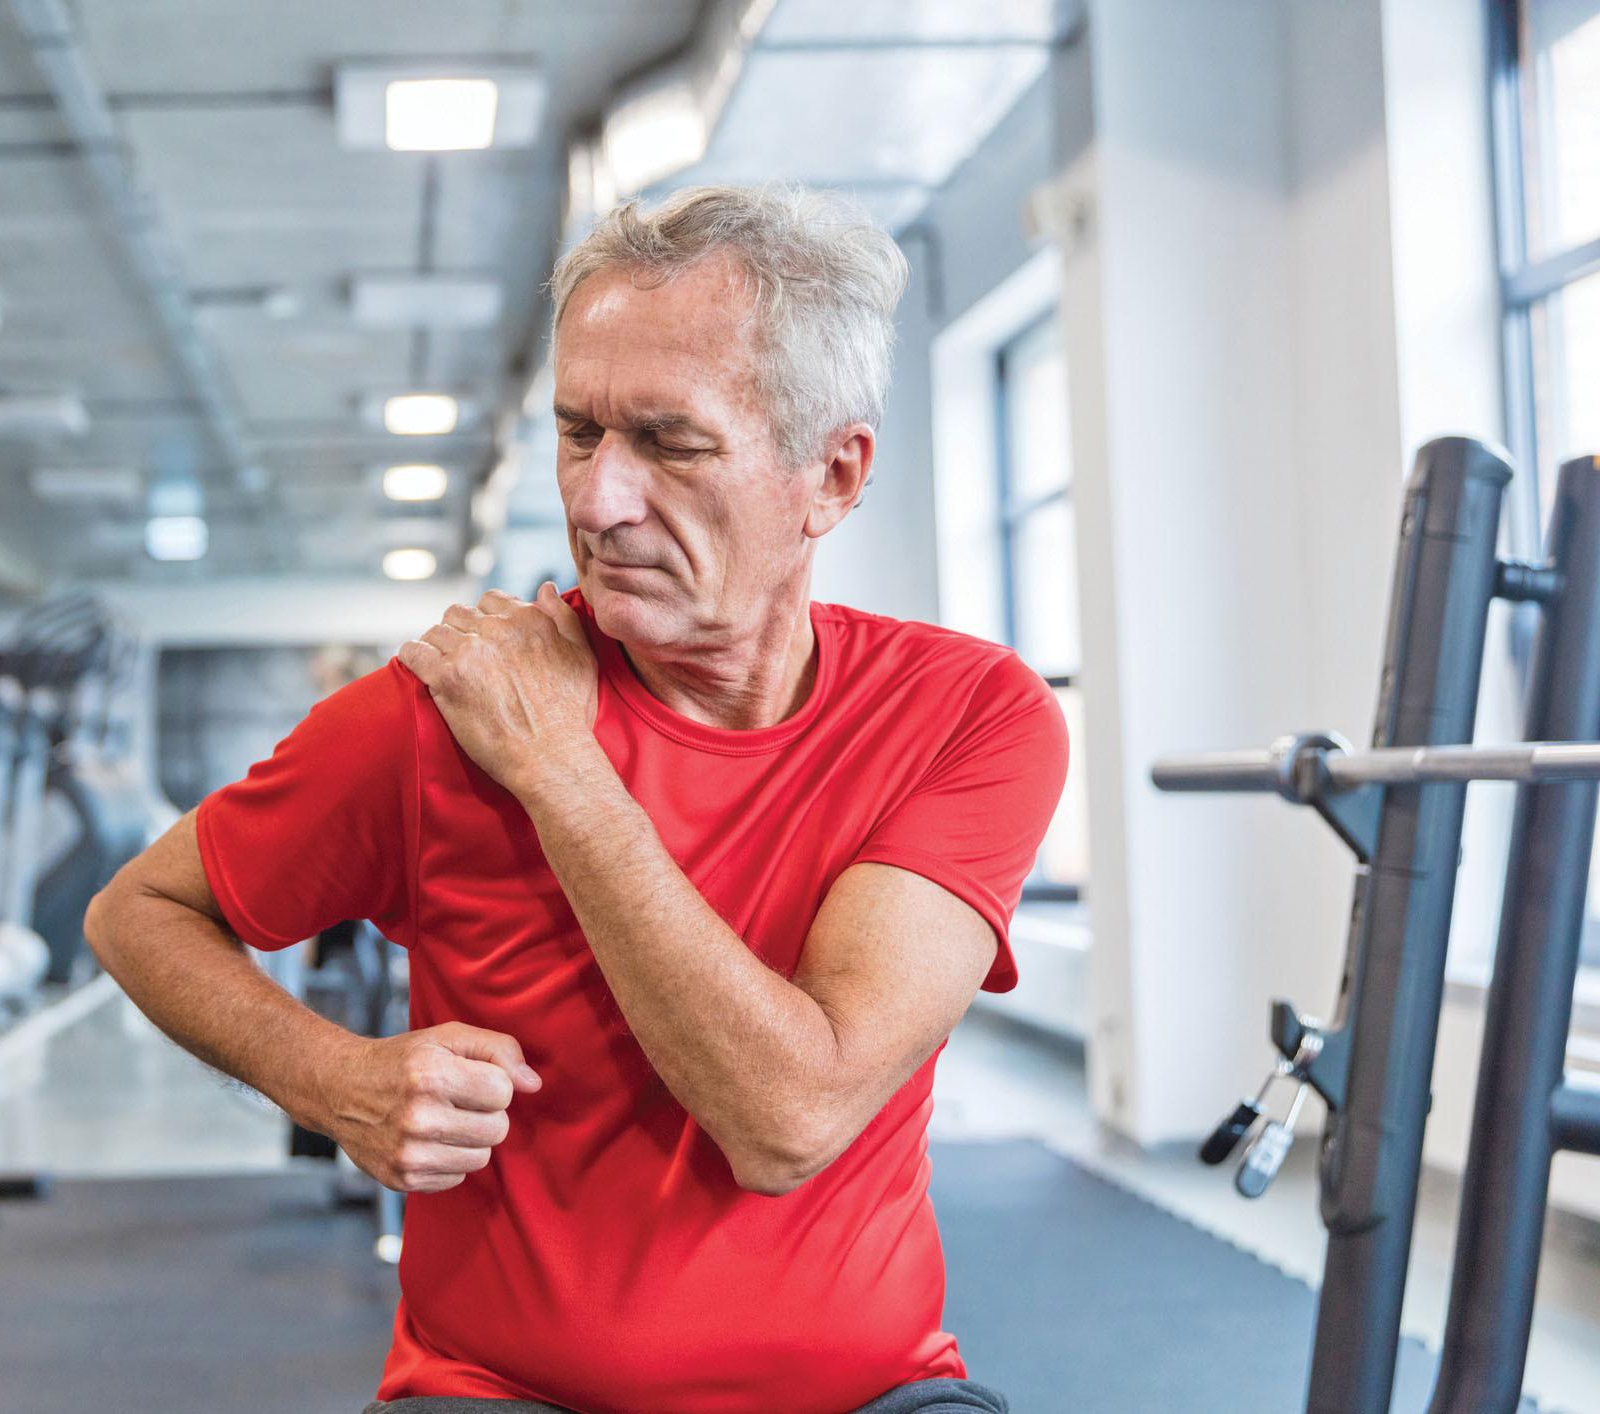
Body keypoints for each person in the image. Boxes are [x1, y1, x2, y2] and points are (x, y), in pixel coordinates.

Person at [86, 184, 1069, 1414]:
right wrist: (330, 1078)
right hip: (502, 1391)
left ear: (832, 476)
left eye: (669, 441)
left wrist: (562, 771)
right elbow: (139, 909)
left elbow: (790, 1115)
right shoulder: (437, 709)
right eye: (577, 433)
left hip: (870, 1396)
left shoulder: (966, 714)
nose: (598, 502)